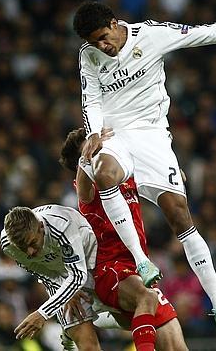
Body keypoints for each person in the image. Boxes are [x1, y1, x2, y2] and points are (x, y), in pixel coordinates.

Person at [72, 0, 216, 336]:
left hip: (151, 134)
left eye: (103, 38)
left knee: (179, 213)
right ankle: (141, 260)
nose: (101, 46)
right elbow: (90, 99)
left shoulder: (151, 34)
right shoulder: (88, 55)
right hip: (115, 134)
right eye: (94, 43)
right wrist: (94, 133)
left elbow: (209, 33)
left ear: (112, 23)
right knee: (106, 175)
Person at [60, 128, 188, 351]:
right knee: (146, 298)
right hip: (111, 269)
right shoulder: (87, 187)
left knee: (177, 347)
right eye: (93, 148)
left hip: (139, 269)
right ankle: (90, 318)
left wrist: (170, 173)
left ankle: (94, 319)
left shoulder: (123, 173)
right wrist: (87, 154)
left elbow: (170, 180)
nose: (100, 150)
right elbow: (83, 186)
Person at [0, 205, 102, 350]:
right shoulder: (8, 245)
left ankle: (72, 331)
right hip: (63, 276)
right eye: (22, 247)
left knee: (125, 317)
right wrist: (65, 291)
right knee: (88, 347)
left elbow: (78, 275)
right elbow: (39, 271)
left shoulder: (62, 225)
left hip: (91, 260)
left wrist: (42, 314)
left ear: (41, 227)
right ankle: (70, 331)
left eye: (32, 243)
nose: (29, 252)